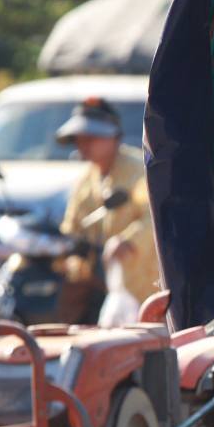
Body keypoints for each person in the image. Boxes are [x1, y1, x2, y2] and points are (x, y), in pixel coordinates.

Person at [54, 97, 162, 313]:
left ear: (113, 137)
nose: (83, 145)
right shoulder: (86, 181)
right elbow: (72, 228)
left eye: (91, 137)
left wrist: (127, 242)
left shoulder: (138, 171)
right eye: (79, 139)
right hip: (100, 286)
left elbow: (154, 218)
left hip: (140, 286)